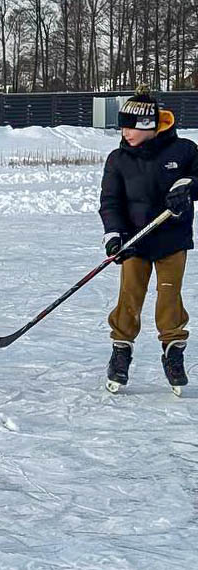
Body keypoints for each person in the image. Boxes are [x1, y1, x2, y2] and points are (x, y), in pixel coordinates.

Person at [100, 88, 194, 395]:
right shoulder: (118, 160)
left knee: (169, 295)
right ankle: (121, 352)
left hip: (172, 238)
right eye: (123, 126)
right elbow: (110, 201)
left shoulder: (184, 151)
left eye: (129, 126)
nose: (124, 132)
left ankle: (173, 352)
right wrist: (114, 235)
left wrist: (189, 187)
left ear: (147, 125)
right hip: (134, 240)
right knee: (130, 295)